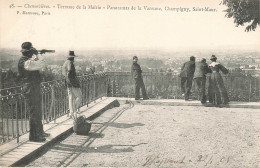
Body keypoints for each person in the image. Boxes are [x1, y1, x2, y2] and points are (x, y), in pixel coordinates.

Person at [18, 42, 50, 142]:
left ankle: (39, 132)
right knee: (34, 113)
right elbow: (42, 63)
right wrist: (38, 54)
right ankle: (34, 136)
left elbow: (36, 64)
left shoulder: (28, 60)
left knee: (38, 111)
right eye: (30, 51)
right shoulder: (26, 62)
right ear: (28, 52)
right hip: (30, 89)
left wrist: (35, 55)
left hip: (33, 88)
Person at [62, 51, 82, 119]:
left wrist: (67, 79)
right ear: (72, 58)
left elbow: (64, 73)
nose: (74, 59)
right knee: (79, 97)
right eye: (73, 58)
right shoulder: (70, 63)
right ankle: (74, 110)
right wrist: (72, 80)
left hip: (67, 82)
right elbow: (70, 71)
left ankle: (71, 112)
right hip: (72, 83)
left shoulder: (65, 63)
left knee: (71, 97)